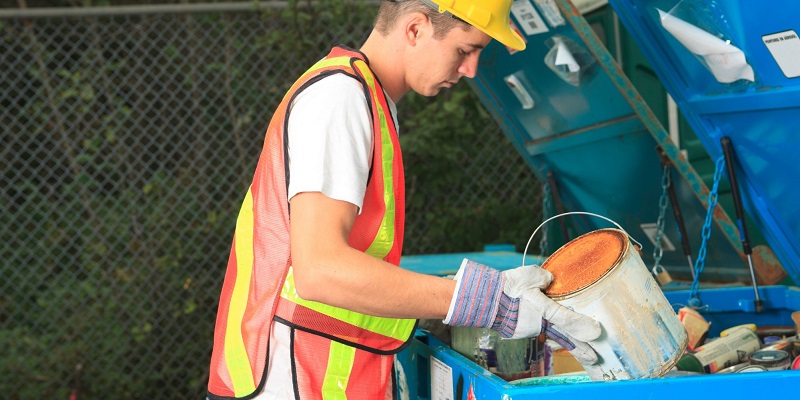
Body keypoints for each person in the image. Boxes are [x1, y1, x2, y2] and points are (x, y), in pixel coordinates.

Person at [207, 0, 602, 398]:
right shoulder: (340, 98)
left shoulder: (368, 99)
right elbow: (320, 268)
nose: (471, 70)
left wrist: (438, 306)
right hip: (290, 379)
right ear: (415, 28)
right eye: (466, 50)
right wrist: (478, 302)